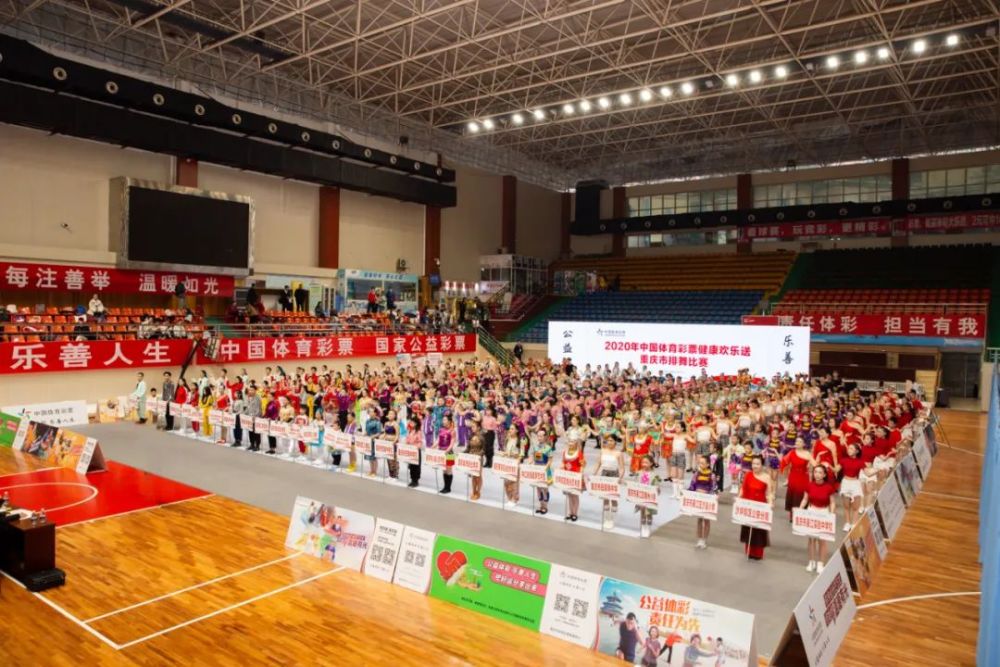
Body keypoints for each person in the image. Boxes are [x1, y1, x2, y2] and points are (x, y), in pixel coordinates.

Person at [801, 465, 837, 574]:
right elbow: (805, 499)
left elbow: (832, 502)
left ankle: (821, 563)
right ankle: (811, 562)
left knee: (822, 540)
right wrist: (800, 509)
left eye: (820, 472)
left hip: (824, 513)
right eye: (815, 472)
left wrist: (831, 514)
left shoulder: (829, 487)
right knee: (811, 539)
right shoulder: (809, 485)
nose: (817, 474)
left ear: (824, 475)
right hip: (811, 512)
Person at [739, 454, 775, 560]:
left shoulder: (767, 477)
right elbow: (743, 489)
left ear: (762, 465)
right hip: (748, 505)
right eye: (753, 463)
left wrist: (770, 503)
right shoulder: (748, 475)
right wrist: (738, 499)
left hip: (760, 506)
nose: (755, 466)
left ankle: (758, 553)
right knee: (748, 528)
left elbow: (769, 493)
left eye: (757, 464)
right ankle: (748, 551)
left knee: (758, 530)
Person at [593, 435, 625, 530]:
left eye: (611, 440)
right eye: (608, 440)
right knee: (605, 497)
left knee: (613, 498)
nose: (609, 442)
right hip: (604, 475)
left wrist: (620, 477)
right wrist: (594, 474)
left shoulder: (618, 453)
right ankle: (607, 518)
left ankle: (612, 519)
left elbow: (622, 468)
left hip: (614, 475)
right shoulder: (602, 451)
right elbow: (598, 463)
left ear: (615, 442)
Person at [780, 437, 814, 519]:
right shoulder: (791, 452)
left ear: (804, 444)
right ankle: (792, 515)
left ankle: (801, 515)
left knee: (802, 495)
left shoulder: (807, 453)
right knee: (792, 495)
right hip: (793, 476)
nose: (797, 443)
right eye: (796, 441)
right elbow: (784, 463)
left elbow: (815, 464)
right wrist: (786, 477)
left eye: (800, 441)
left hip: (803, 477)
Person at [688, 454, 716, 548]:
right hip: (698, 499)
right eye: (700, 463)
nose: (701, 465)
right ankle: (699, 539)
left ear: (708, 464)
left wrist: (712, 496)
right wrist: (686, 493)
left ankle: (704, 540)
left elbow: (713, 488)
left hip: (707, 500)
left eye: (703, 463)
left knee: (706, 520)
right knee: (699, 520)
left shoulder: (711, 475)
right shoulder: (697, 474)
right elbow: (692, 485)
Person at [839, 441, 865, 532]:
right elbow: (836, 469)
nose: (849, 450)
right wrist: (827, 465)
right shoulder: (843, 460)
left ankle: (854, 524)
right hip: (845, 483)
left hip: (855, 484)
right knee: (846, 506)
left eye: (851, 448)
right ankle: (847, 523)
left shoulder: (860, 462)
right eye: (848, 448)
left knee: (855, 507)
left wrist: (876, 470)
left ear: (857, 451)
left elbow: (868, 473)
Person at [561, 436, 585, 522]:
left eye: (573, 441)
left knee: (575, 495)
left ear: (576, 443)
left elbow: (582, 465)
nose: (571, 443)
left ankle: (575, 513)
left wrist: (580, 474)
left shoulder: (579, 453)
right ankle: (570, 512)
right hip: (567, 476)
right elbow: (563, 462)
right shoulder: (565, 452)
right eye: (570, 441)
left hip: (575, 477)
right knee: (569, 495)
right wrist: (561, 468)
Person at [404, 416, 423, 488]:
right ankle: (412, 479)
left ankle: (416, 481)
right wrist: (406, 444)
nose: (410, 423)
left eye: (412, 422)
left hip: (416, 451)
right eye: (410, 422)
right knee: (411, 466)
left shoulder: (419, 432)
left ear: (416, 423)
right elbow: (407, 439)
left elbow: (420, 442)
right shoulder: (410, 430)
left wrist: (415, 447)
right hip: (410, 450)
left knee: (416, 466)